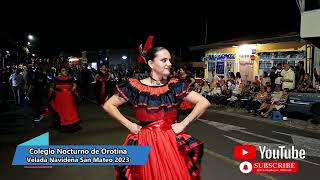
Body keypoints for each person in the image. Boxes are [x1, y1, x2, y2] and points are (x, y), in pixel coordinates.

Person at [103, 38, 210, 180]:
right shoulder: (135, 87)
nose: (169, 64)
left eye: (169, 60)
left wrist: (184, 123)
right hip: (145, 141)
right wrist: (130, 125)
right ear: (151, 63)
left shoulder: (174, 86)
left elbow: (203, 102)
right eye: (164, 60)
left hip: (170, 141)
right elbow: (109, 105)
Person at [49, 67, 81, 132]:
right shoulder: (56, 79)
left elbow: (74, 85)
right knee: (61, 111)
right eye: (63, 70)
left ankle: (71, 124)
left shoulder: (71, 78)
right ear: (60, 72)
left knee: (69, 111)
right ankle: (61, 123)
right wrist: (52, 92)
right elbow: (52, 87)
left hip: (69, 98)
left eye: (66, 70)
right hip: (59, 98)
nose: (65, 72)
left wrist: (73, 88)